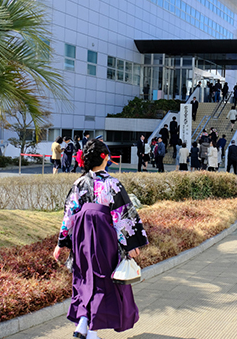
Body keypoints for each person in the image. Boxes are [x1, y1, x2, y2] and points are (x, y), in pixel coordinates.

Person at [53, 139, 147, 338]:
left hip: (82, 236)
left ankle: (82, 323)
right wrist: (131, 244)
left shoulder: (79, 183)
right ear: (104, 159)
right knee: (103, 279)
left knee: (84, 276)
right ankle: (93, 331)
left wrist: (61, 242)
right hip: (104, 237)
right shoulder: (112, 184)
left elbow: (69, 214)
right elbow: (122, 215)